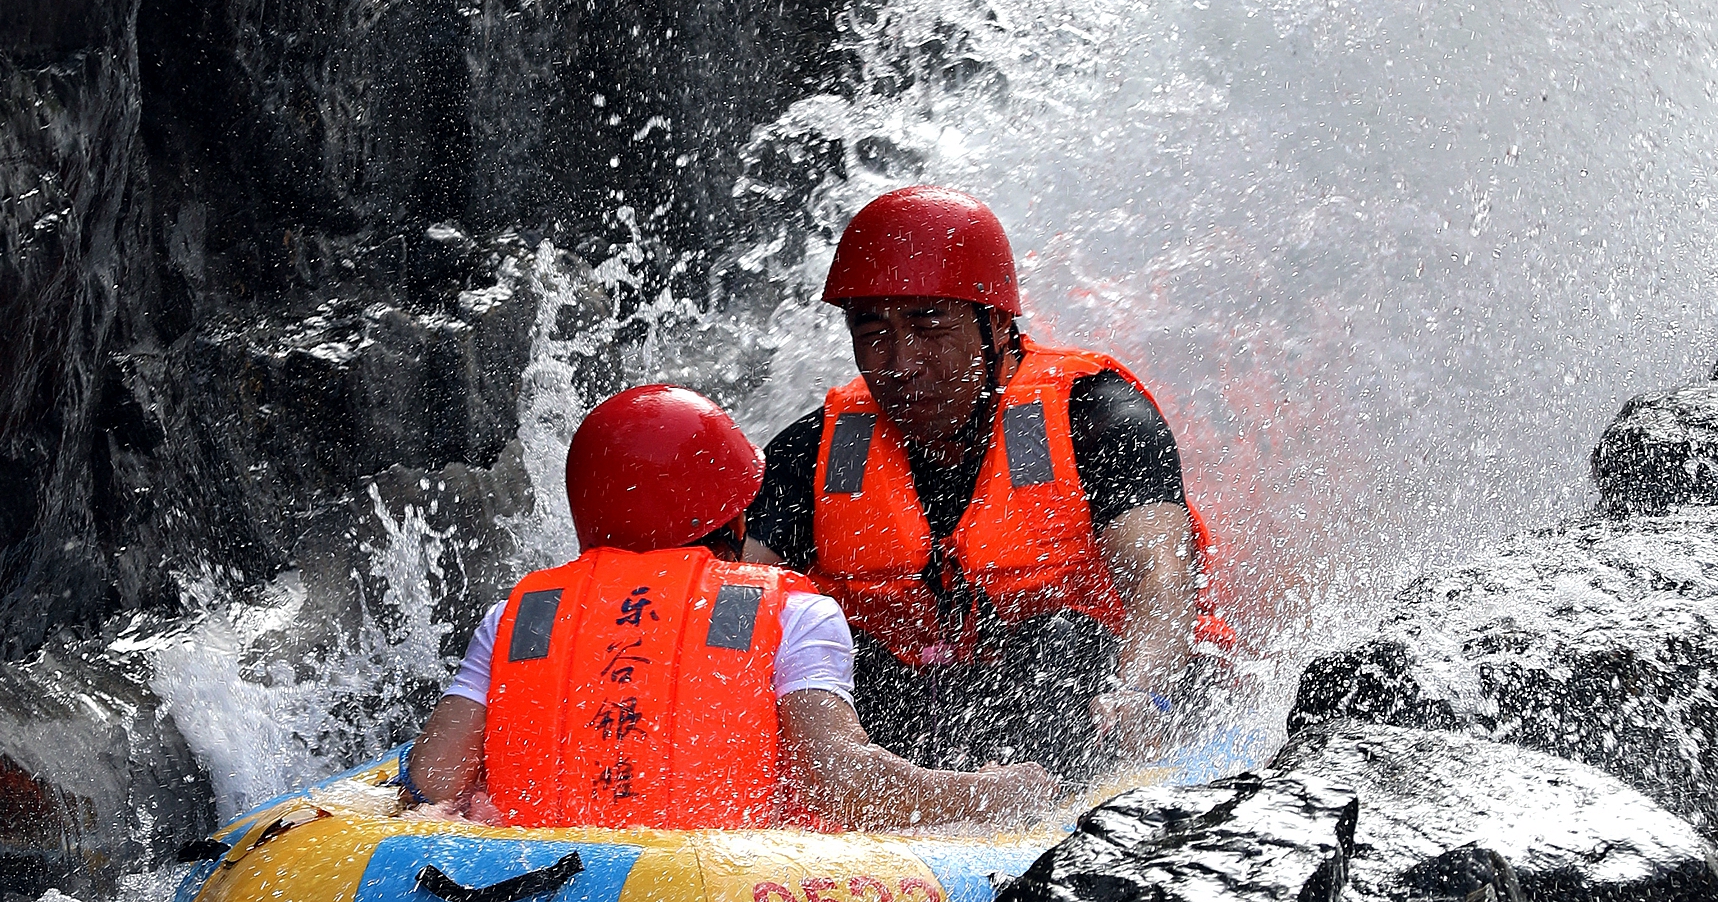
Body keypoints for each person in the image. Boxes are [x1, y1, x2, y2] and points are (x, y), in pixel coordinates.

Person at [405, 383, 1054, 831]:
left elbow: (433, 782)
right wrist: (988, 795)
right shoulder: (795, 614)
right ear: (737, 512)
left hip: (529, 894)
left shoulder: (520, 616)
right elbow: (841, 782)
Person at [744, 185, 1235, 778]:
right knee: (829, 656)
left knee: (1052, 646)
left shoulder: (1097, 416)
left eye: (930, 326)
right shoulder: (815, 450)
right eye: (873, 332)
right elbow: (735, 600)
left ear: (997, 325)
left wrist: (1138, 696)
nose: (900, 363)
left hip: (1105, 693)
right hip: (930, 714)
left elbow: (1160, 585)